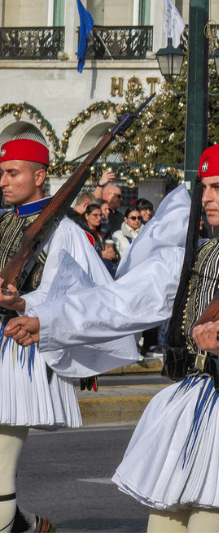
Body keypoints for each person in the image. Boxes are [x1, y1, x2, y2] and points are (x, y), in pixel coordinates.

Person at [5, 142, 219, 533]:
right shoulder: (192, 254)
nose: (207, 198)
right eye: (204, 188)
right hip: (189, 403)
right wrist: (47, 319)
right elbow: (122, 301)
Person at [0, 139, 136, 533]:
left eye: (13, 173)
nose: (3, 181)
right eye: (2, 173)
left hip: (18, 349)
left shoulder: (64, 231)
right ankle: (26, 525)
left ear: (40, 176)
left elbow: (81, 293)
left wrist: (24, 302)